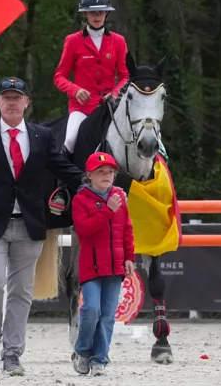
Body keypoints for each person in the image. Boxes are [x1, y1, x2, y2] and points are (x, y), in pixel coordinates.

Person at [0, 77, 84, 376]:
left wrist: (91, 185)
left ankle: (12, 352)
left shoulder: (42, 136)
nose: (11, 102)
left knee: (21, 292)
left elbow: (62, 167)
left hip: (29, 223)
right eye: (6, 97)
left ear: (26, 103)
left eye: (16, 97)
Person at [69, 152, 133, 377]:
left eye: (111, 172)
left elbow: (127, 229)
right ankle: (82, 351)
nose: (107, 175)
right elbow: (84, 229)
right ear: (89, 175)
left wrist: (129, 257)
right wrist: (108, 210)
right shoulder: (80, 200)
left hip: (115, 267)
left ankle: (100, 358)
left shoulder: (119, 198)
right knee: (91, 309)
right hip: (91, 267)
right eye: (101, 172)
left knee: (107, 316)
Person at [53, 0, 129, 156]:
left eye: (101, 12)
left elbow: (126, 76)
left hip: (110, 108)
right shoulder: (73, 41)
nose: (97, 16)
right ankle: (64, 173)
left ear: (106, 13)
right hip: (82, 108)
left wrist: (116, 93)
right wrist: (75, 90)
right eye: (92, 12)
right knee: (70, 140)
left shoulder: (118, 41)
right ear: (85, 14)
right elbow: (59, 77)